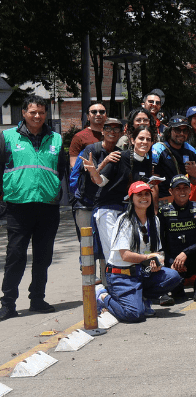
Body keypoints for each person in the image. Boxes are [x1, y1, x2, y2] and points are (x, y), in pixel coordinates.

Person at [0, 95, 69, 319]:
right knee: (15, 256)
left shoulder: (56, 139)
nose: (37, 116)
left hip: (48, 207)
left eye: (41, 112)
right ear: (24, 113)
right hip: (18, 207)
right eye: (33, 112)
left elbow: (62, 170)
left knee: (43, 257)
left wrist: (57, 194)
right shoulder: (7, 137)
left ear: (46, 114)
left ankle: (37, 299)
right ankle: (8, 303)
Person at [93, 181, 183, 321]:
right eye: (139, 195)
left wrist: (158, 261)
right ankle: (102, 295)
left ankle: (143, 298)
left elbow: (157, 251)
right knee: (134, 314)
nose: (144, 197)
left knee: (173, 276)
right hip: (122, 276)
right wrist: (148, 258)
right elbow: (125, 255)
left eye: (147, 194)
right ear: (131, 199)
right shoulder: (125, 220)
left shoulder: (155, 221)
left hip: (142, 272)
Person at [89, 125, 157, 286]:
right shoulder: (119, 156)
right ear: (132, 140)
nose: (144, 142)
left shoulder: (147, 161)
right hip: (109, 210)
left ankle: (136, 291)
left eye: (148, 139)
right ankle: (108, 294)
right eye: (141, 138)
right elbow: (101, 182)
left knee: (136, 250)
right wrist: (93, 170)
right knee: (114, 255)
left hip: (130, 212)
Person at [72, 118, 123, 284]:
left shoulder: (119, 152)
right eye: (108, 128)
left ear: (121, 133)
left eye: (116, 129)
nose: (112, 132)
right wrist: (106, 161)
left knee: (105, 244)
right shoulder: (90, 149)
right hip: (86, 204)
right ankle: (88, 281)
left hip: (105, 206)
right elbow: (90, 174)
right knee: (87, 243)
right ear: (102, 131)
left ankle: (107, 282)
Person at [159, 175, 196, 302]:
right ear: (170, 191)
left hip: (193, 259)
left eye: (185, 188)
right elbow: (160, 241)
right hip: (173, 262)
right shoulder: (164, 211)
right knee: (178, 295)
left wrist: (185, 253)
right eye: (177, 188)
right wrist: (170, 261)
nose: (182, 191)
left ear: (190, 190)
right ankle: (168, 288)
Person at [69, 103, 108, 168]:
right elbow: (74, 164)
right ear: (88, 117)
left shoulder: (112, 134)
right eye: (94, 112)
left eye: (101, 112)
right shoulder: (79, 137)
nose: (98, 114)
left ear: (106, 116)